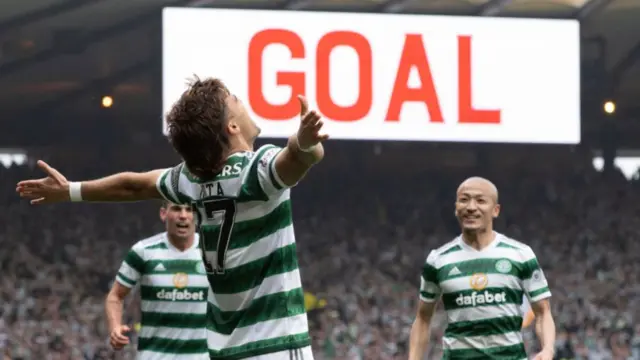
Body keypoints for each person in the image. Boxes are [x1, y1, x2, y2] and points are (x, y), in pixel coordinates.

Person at [16, 77, 329, 360]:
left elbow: (132, 185)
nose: (243, 101)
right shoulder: (257, 170)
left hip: (226, 351)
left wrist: (70, 190)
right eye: (235, 99)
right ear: (232, 127)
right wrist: (302, 141)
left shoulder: (189, 181)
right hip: (275, 345)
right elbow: (299, 160)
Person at [408, 177, 556, 360]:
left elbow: (543, 312)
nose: (471, 207)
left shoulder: (520, 254)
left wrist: (548, 349)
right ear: (456, 208)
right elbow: (422, 318)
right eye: (464, 199)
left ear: (495, 210)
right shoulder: (438, 260)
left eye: (480, 200)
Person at [105, 201, 209, 359]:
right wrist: (115, 327)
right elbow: (115, 295)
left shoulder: (214, 252)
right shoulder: (143, 251)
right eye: (176, 209)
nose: (183, 215)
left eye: (189, 210)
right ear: (163, 213)